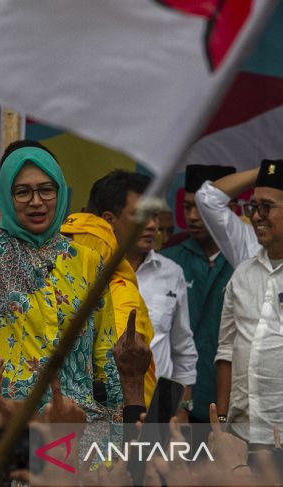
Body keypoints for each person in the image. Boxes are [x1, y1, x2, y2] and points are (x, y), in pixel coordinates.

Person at [0, 135, 122, 448]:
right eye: (22, 192)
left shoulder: (90, 262)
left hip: (72, 423)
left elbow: (106, 352)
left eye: (45, 190)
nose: (36, 201)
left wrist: (119, 430)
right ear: (7, 198)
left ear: (60, 192)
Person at [88, 170, 197, 420]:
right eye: (140, 215)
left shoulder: (172, 273)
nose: (151, 225)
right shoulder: (84, 273)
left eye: (155, 215)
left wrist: (182, 412)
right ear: (109, 219)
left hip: (158, 415)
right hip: (101, 413)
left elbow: (182, 350)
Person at [161, 164, 235, 426]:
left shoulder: (246, 262)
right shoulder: (167, 262)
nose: (192, 216)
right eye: (187, 206)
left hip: (234, 406)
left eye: (201, 207)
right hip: (174, 407)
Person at [216, 159, 283, 446]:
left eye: (266, 207)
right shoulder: (242, 274)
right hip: (242, 434)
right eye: (252, 207)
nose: (256, 216)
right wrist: (220, 423)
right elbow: (226, 350)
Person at [61, 210, 157, 406]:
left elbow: (114, 354)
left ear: (97, 253)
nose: (62, 256)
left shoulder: (121, 292)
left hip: (130, 411)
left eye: (72, 249)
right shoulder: (78, 291)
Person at [195, 166, 259, 268]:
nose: (256, 216)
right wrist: (268, 169)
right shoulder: (252, 244)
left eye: (267, 206)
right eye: (254, 206)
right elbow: (208, 198)